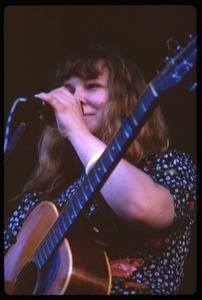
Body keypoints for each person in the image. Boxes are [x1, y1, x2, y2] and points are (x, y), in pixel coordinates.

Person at [4, 43, 197, 295]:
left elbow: (143, 208)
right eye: (68, 89)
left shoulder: (168, 165)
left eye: (92, 86)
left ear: (125, 100)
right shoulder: (41, 197)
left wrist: (76, 131)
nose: (76, 99)